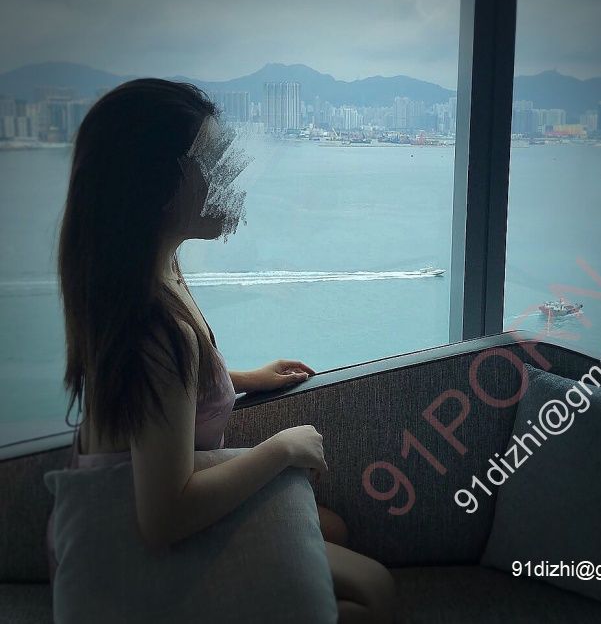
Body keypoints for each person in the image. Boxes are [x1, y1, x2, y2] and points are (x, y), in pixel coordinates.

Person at [51, 78, 396, 623]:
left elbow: (160, 396)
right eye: (211, 162)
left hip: (122, 501)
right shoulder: (158, 333)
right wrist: (282, 449)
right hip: (133, 537)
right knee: (375, 591)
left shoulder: (153, 274)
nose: (229, 178)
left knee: (332, 528)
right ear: (159, 184)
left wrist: (238, 379)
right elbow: (164, 518)